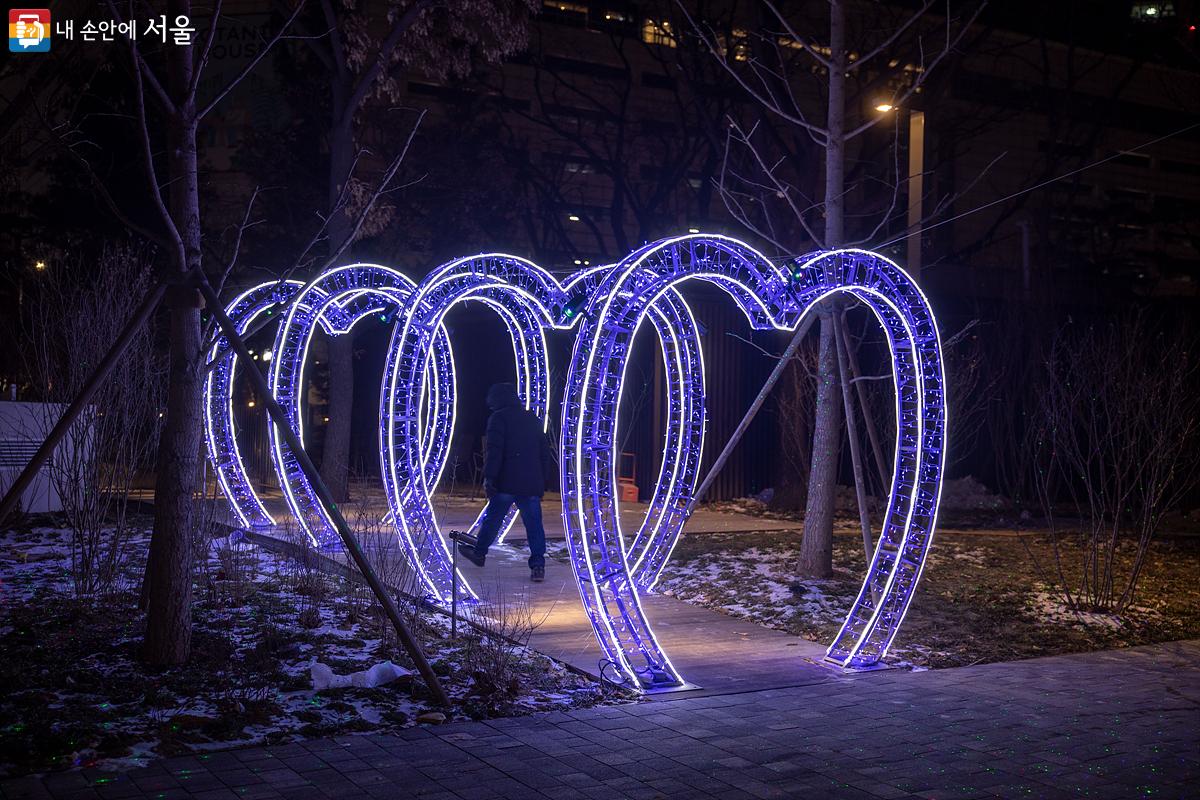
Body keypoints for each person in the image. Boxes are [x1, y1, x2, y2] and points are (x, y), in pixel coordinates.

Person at [456, 383, 554, 581]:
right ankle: (538, 566)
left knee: (493, 519)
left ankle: (479, 552)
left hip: (507, 481)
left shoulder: (498, 419)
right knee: (534, 525)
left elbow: (494, 452)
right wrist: (542, 479)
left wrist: (489, 477)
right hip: (530, 483)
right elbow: (544, 451)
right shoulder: (532, 419)